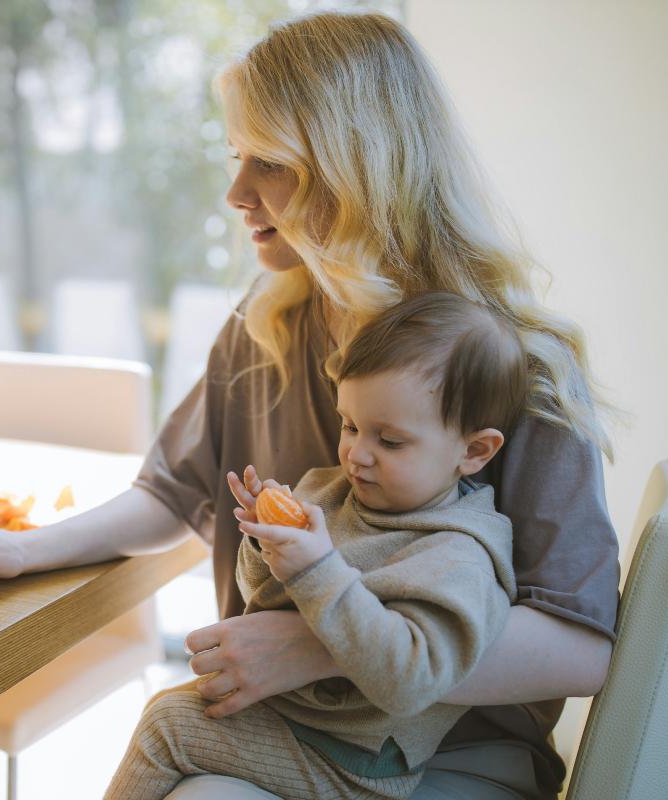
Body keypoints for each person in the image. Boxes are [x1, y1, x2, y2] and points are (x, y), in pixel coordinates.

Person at [0, 12, 619, 798]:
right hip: (289, 722)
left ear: (357, 167)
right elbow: (170, 493)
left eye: (271, 163)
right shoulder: (268, 322)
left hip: (450, 756)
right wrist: (26, 548)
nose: (235, 192)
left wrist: (322, 643)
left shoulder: (511, 365)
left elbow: (580, 647)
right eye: (235, 157)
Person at [105, 292, 527, 800]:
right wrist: (264, 543)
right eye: (349, 425)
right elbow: (263, 600)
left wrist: (318, 567)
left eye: (389, 441)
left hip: (355, 761)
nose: (357, 455)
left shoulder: (458, 552)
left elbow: (411, 680)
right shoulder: (332, 491)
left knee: (167, 725)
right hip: (295, 719)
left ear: (474, 450)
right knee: (170, 709)